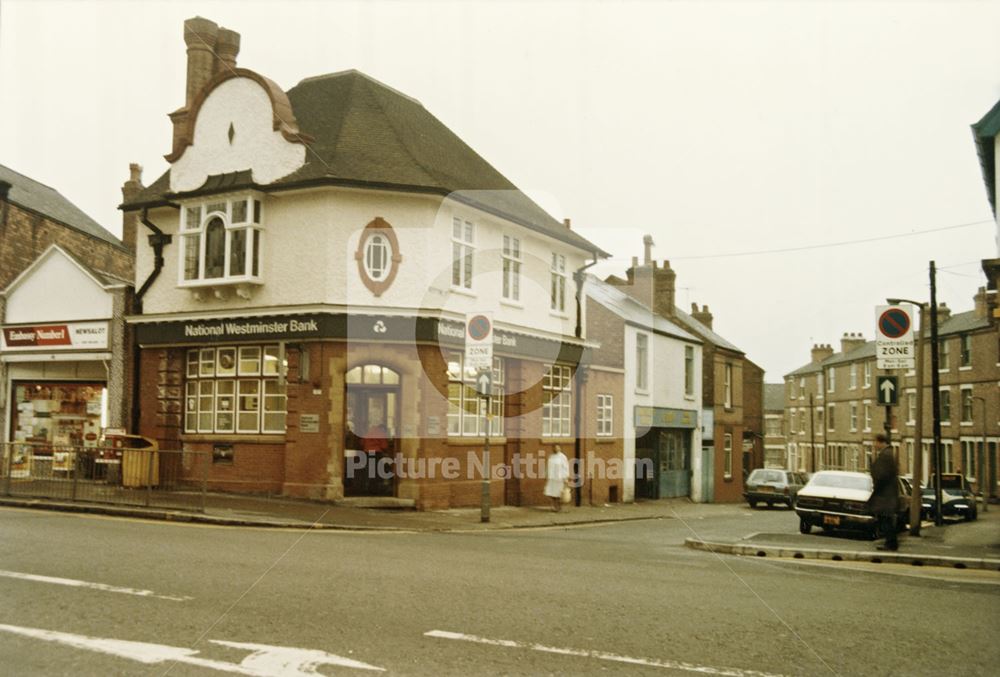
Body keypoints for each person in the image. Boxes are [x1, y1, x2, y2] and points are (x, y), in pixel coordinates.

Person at [868, 433, 900, 551]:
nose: (874, 445)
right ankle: (890, 543)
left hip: (885, 495)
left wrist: (873, 469)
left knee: (885, 520)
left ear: (880, 442)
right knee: (885, 519)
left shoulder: (886, 455)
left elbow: (882, 475)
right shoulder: (887, 454)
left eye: (875, 442)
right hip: (887, 494)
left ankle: (891, 544)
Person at [544, 445, 571, 512]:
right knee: (552, 493)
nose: (556, 449)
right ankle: (553, 506)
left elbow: (565, 467)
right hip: (552, 478)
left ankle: (559, 507)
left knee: (559, 493)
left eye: (557, 447)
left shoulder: (563, 457)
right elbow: (548, 466)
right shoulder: (551, 457)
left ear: (560, 448)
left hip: (560, 478)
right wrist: (546, 475)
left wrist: (566, 477)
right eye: (554, 448)